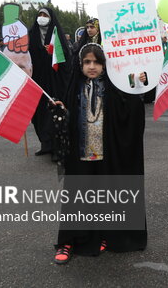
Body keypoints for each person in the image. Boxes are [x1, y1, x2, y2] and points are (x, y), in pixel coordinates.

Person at [53, 43, 147, 264]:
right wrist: (60, 112)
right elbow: (66, 117)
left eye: (97, 62)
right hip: (80, 153)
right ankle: (68, 241)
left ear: (105, 65)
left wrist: (135, 84)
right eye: (87, 62)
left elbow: (129, 110)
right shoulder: (74, 87)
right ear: (81, 64)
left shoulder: (112, 87)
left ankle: (106, 234)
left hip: (107, 153)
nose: (92, 66)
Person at [28, 7, 71, 157]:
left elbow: (66, 58)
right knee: (39, 113)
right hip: (37, 80)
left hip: (54, 81)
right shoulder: (31, 34)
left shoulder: (56, 33)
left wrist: (54, 53)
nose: (41, 17)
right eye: (39, 14)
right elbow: (25, 55)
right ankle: (45, 144)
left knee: (54, 112)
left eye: (45, 15)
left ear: (51, 17)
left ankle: (57, 147)